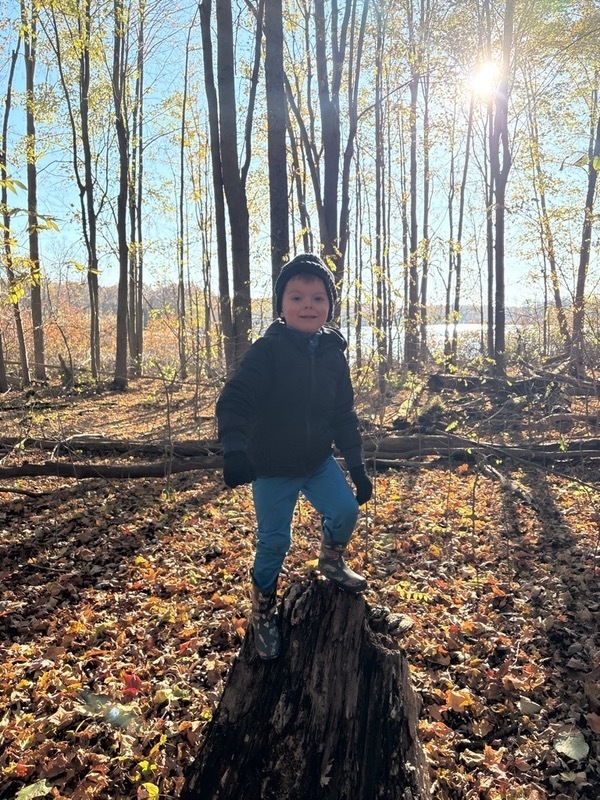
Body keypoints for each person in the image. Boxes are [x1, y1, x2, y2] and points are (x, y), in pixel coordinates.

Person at [216, 253, 373, 660]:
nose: (308, 305)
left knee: (345, 512)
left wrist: (355, 465)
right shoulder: (266, 351)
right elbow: (235, 399)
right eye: (297, 297)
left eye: (318, 298)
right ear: (282, 307)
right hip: (271, 466)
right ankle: (263, 608)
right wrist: (234, 450)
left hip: (317, 461)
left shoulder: (334, 355)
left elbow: (343, 414)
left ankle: (331, 559)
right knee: (273, 543)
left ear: (329, 307)